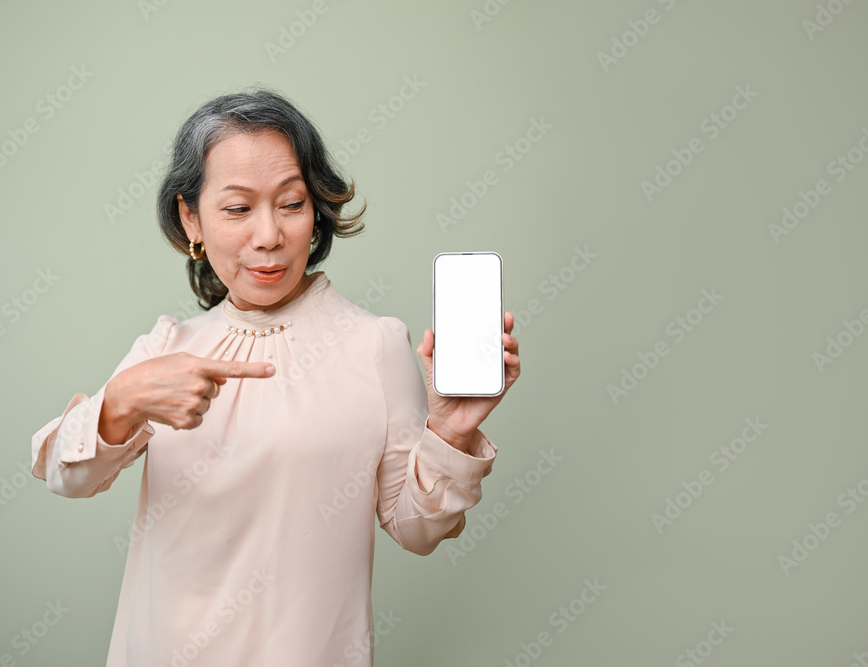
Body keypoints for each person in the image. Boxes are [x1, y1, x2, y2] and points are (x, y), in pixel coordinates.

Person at [30, 86, 521, 666]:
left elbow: (418, 531)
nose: (268, 236)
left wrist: (452, 433)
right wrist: (124, 401)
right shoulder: (168, 345)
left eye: (290, 203)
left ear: (317, 212)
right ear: (192, 218)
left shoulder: (374, 346)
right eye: (237, 209)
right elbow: (68, 474)